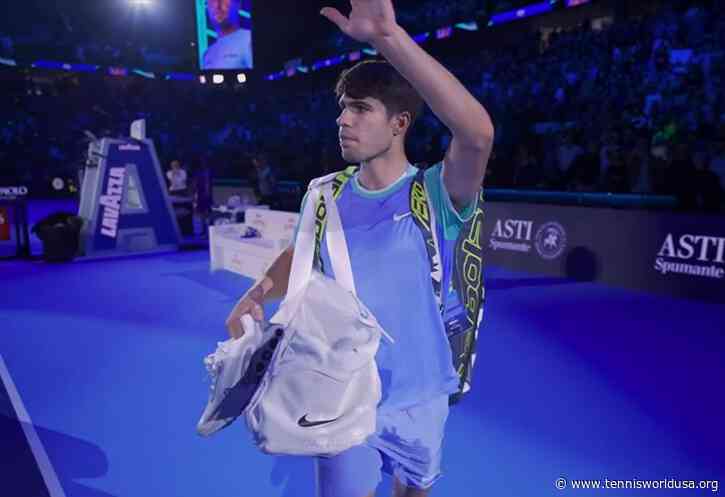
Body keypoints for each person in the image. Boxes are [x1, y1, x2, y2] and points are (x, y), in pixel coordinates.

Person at [225, 1, 494, 496]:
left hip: (421, 394)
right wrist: (260, 290)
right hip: (341, 391)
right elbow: (301, 255)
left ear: (399, 123)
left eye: (362, 108)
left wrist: (388, 38)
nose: (344, 121)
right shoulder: (323, 195)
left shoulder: (435, 194)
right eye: (343, 108)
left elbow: (476, 134)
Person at [202, 0, 253, 70]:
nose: (217, 6)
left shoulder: (249, 40)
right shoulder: (208, 54)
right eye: (212, 1)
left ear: (238, 4)